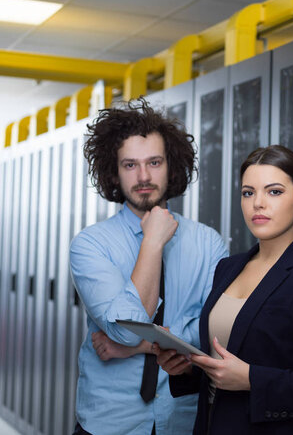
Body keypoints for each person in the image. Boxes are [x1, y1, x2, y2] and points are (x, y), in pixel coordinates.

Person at [154, 145, 293, 434]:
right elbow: (223, 368)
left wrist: (252, 379)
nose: (257, 203)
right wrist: (185, 370)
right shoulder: (227, 268)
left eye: (273, 192)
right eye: (248, 193)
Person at [69, 98, 228, 435]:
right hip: (110, 422)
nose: (143, 176)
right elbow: (126, 328)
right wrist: (153, 242)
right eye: (130, 165)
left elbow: (214, 333)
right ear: (114, 172)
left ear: (172, 166)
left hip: (181, 421)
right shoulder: (90, 244)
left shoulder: (208, 242)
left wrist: (136, 347)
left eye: (154, 162)